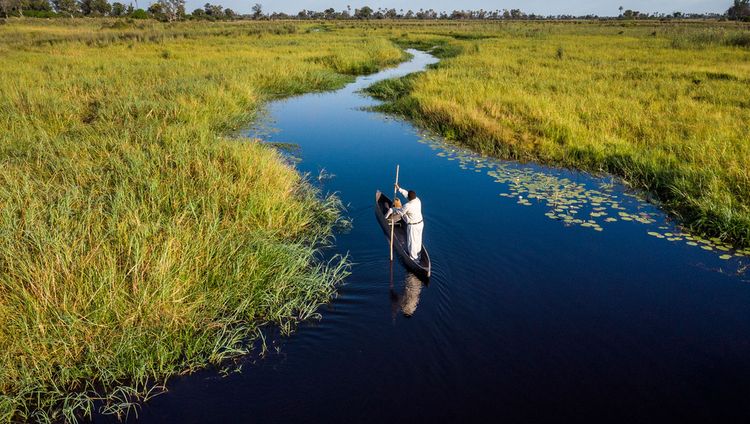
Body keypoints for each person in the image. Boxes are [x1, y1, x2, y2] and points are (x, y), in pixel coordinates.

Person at [385, 184, 424, 261]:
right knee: (418, 240)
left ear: (409, 198)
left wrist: (393, 209)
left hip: (413, 226)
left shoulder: (408, 205)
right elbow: (406, 194)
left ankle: (414, 259)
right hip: (420, 224)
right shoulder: (417, 200)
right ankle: (418, 255)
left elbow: (400, 213)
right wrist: (399, 188)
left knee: (412, 242)